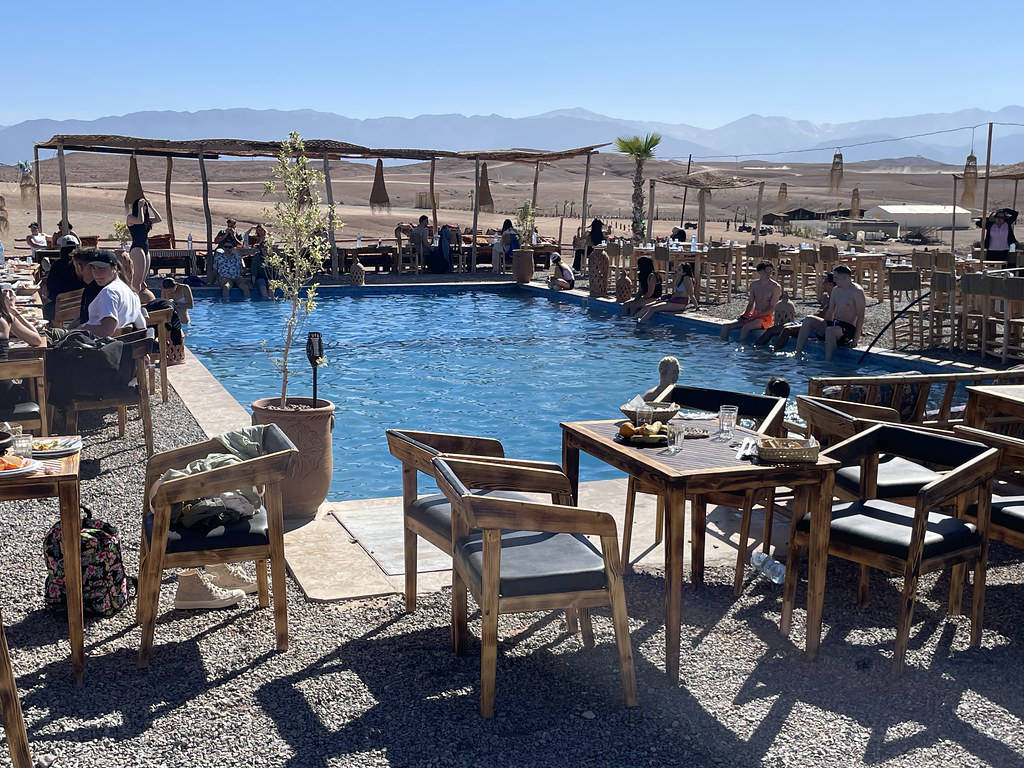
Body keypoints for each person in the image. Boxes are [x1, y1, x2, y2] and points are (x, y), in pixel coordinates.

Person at [794, 263, 866, 360]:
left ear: (845, 277)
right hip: (835, 324)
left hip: (847, 329)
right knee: (808, 320)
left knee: (830, 331)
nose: (834, 280)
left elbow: (861, 316)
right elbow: (831, 311)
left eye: (836, 277)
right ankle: (798, 353)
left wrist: (856, 340)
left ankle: (828, 362)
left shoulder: (857, 292)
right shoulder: (836, 290)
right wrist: (822, 328)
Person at [79, 249, 146, 336]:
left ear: (115, 268)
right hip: (123, 345)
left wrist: (82, 328)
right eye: (93, 268)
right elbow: (142, 327)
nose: (96, 273)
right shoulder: (131, 293)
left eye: (101, 268)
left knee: (57, 334)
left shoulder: (109, 292)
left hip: (100, 346)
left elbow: (107, 330)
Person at [720, 261, 781, 341]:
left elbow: (772, 307)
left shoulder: (775, 287)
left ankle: (741, 347)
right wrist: (745, 315)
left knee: (746, 327)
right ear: (760, 271)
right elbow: (751, 303)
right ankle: (723, 346)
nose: (769, 273)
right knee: (725, 326)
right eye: (767, 271)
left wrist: (756, 316)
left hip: (765, 318)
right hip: (754, 315)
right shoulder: (754, 285)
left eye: (771, 271)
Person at [126, 196, 163, 298]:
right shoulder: (131, 218)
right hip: (137, 248)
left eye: (145, 206)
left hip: (146, 248)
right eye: (143, 206)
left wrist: (151, 207)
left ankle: (141, 300)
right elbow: (140, 221)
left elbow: (159, 219)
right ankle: (134, 302)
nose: (144, 208)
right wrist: (140, 207)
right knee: (137, 280)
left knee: (143, 280)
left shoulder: (146, 220)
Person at [42, 237, 86, 322]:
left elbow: (50, 290)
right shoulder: (83, 266)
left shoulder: (57, 265)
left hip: (59, 308)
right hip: (81, 308)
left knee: (45, 308)